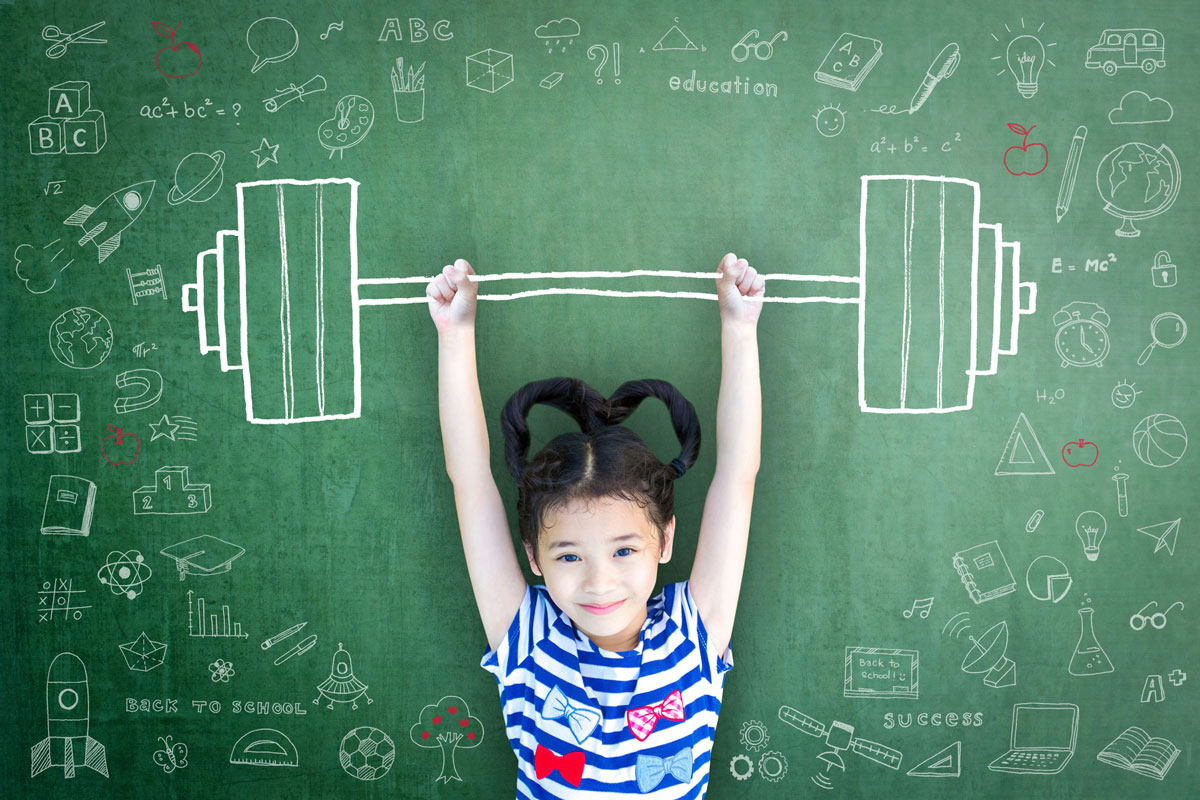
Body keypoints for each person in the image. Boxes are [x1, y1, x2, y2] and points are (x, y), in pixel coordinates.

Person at [428, 254, 763, 797]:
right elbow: (469, 481)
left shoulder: (692, 635)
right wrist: (454, 333)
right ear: (534, 558)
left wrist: (739, 328)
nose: (599, 582)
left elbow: (737, 478)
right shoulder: (530, 640)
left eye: (624, 550)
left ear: (665, 539)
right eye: (568, 556)